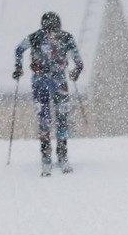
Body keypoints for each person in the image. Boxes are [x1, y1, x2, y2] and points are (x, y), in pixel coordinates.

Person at [13, 12, 83, 176]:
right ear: (44, 27)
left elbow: (78, 59)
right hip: (40, 83)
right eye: (49, 30)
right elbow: (19, 49)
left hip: (59, 82)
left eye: (55, 30)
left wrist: (76, 71)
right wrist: (18, 68)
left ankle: (62, 155)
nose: (52, 34)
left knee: (62, 117)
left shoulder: (66, 38)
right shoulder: (35, 37)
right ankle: (46, 158)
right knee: (44, 119)